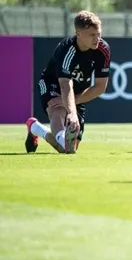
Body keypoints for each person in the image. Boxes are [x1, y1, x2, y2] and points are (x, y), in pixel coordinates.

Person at [25, 11, 111, 154]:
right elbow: (66, 85)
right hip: (52, 83)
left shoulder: (103, 50)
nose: (97, 39)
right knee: (58, 110)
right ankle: (61, 137)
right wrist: (71, 112)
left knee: (68, 148)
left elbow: (100, 87)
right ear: (78, 33)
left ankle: (35, 128)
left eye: (99, 34)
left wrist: (72, 104)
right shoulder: (67, 50)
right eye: (92, 35)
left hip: (76, 92)